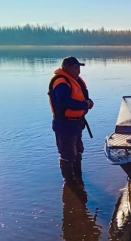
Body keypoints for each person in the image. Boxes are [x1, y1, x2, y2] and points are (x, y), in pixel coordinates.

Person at [48, 56, 94, 186]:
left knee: (78, 150)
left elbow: (81, 97)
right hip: (64, 124)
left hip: (76, 123)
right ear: (67, 68)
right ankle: (69, 182)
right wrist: (84, 105)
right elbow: (63, 102)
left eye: (78, 67)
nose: (78, 70)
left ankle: (77, 177)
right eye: (75, 67)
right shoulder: (61, 82)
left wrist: (88, 103)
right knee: (67, 154)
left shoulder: (74, 81)